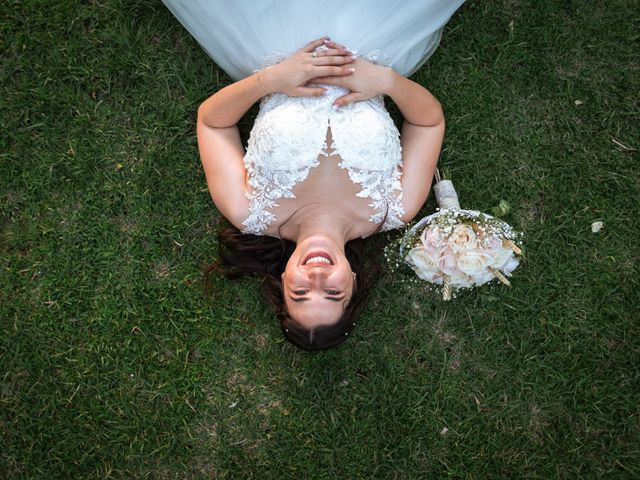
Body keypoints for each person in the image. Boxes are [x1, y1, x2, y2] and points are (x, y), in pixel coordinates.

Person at [161, 0, 466, 350]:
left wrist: (269, 79)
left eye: (301, 291)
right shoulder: (396, 208)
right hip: (373, 32)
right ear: (352, 282)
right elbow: (428, 122)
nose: (317, 276)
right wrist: (386, 81)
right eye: (332, 292)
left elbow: (212, 122)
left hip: (273, 33)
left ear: (283, 277)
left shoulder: (248, 210)